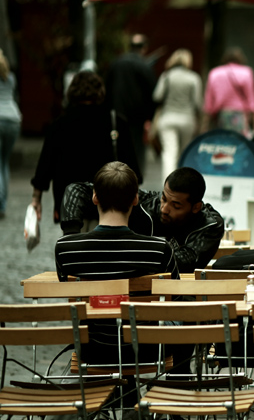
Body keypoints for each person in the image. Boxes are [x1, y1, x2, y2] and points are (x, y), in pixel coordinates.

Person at [54, 162, 191, 393]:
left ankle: (102, 415)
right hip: (146, 348)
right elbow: (175, 303)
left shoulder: (66, 249)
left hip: (92, 349)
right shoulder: (159, 249)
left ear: (95, 198)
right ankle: (171, 416)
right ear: (136, 199)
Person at [60, 166, 224, 274]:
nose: (164, 209)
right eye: (164, 198)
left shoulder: (209, 224)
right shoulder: (145, 203)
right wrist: (71, 237)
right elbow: (76, 190)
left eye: (176, 205)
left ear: (196, 207)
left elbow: (186, 262)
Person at [31, 71, 142, 228]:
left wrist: (36, 200)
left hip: (71, 203)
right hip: (110, 202)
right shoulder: (116, 122)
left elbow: (44, 168)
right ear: (100, 92)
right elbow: (133, 169)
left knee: (77, 248)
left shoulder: (60, 124)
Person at [105, 33, 157, 182]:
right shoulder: (144, 65)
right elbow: (153, 93)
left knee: (117, 147)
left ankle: (116, 177)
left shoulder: (115, 63)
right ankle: (134, 180)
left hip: (115, 114)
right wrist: (150, 117)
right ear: (144, 48)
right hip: (137, 117)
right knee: (136, 149)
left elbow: (106, 88)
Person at [152, 49, 203, 179]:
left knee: (169, 153)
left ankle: (168, 185)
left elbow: (157, 96)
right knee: (184, 152)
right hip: (187, 119)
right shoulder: (194, 78)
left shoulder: (166, 76)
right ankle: (184, 183)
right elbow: (198, 102)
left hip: (168, 118)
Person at [201, 47, 254, 139]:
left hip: (221, 114)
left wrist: (205, 124)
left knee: (224, 142)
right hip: (240, 115)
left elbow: (208, 101)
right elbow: (252, 100)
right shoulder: (247, 72)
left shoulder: (215, 72)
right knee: (240, 143)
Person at [0, 49, 21, 219]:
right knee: (4, 162)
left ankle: (0, 203)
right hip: (13, 119)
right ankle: (3, 203)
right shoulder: (11, 78)